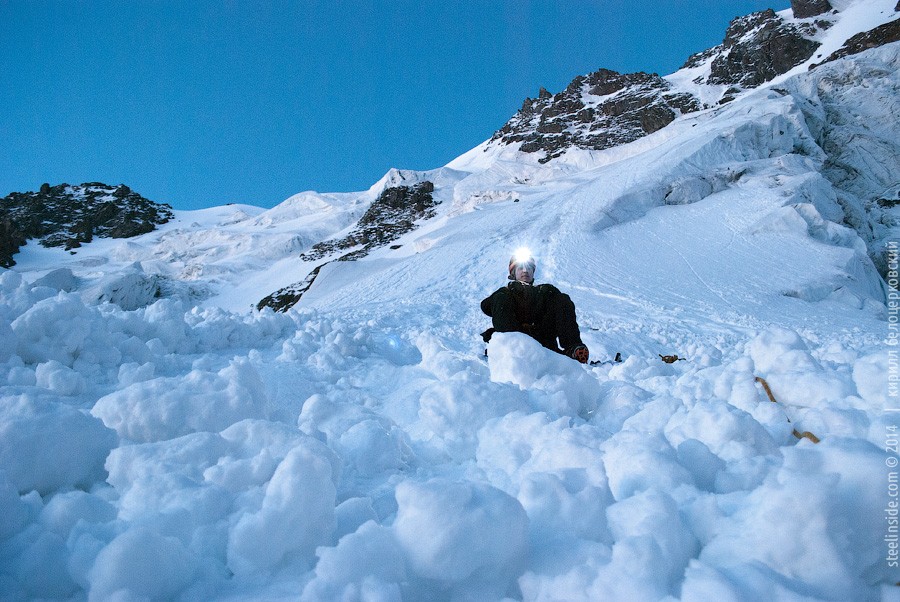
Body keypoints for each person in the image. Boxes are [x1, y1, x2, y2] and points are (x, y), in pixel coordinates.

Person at [481, 249, 589, 363]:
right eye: (520, 268)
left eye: (529, 268)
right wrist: (500, 298)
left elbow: (562, 308)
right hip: (516, 345)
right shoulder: (505, 293)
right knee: (501, 297)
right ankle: (509, 349)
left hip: (543, 343)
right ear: (513, 273)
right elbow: (485, 306)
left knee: (561, 298)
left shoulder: (544, 291)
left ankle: (573, 349)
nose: (525, 271)